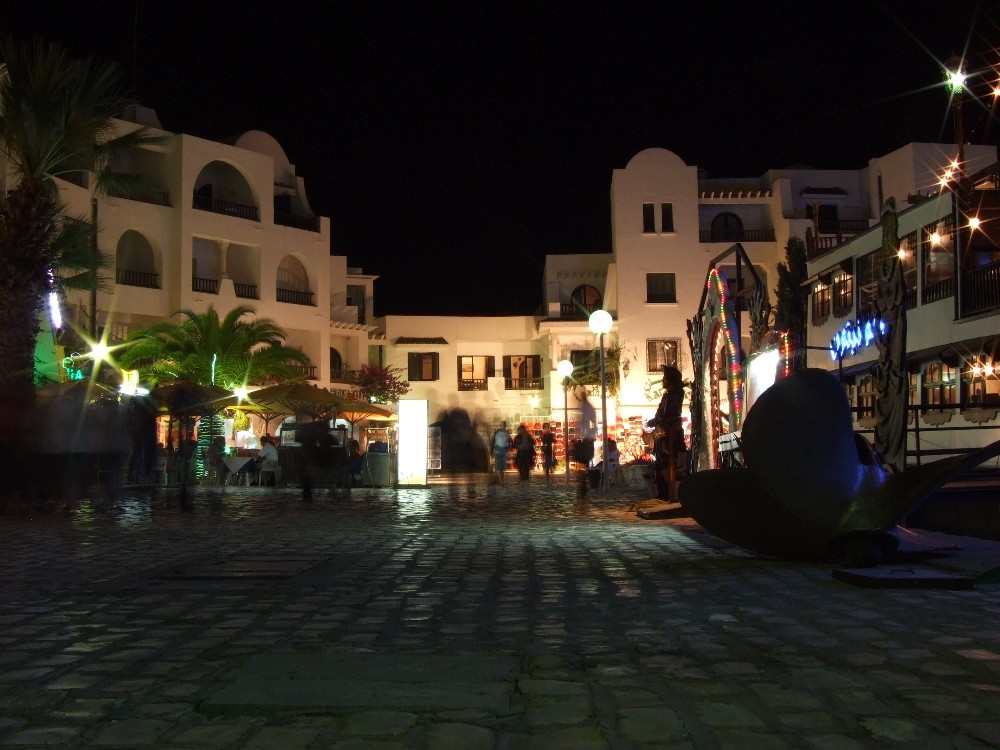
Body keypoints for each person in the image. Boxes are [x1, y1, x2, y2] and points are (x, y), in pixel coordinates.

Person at [648, 365, 686, 501]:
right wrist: (654, 421)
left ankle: (670, 495)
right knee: (660, 464)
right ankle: (663, 494)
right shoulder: (668, 396)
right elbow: (662, 415)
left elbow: (673, 415)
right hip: (664, 435)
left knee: (669, 465)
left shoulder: (676, 395)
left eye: (665, 377)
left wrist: (661, 424)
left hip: (670, 436)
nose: (663, 380)